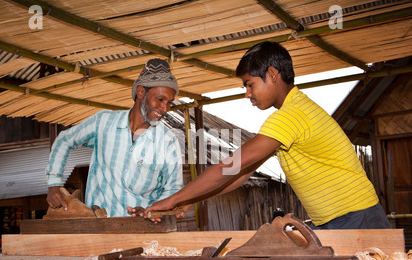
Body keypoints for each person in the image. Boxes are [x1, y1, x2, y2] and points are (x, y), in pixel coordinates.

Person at [144, 42, 391, 230]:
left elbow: (228, 167)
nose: (247, 94)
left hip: (357, 218)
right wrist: (192, 198)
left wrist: (174, 198)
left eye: (250, 84)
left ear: (272, 74)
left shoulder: (291, 116)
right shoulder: (294, 112)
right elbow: (240, 175)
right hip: (345, 218)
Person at [46, 58, 185, 217]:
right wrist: (54, 184)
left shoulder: (168, 142)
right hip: (99, 228)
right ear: (140, 92)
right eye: (160, 99)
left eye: (169, 103)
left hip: (141, 230)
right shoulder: (103, 122)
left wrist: (152, 210)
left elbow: (173, 189)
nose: (165, 108)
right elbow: (64, 140)